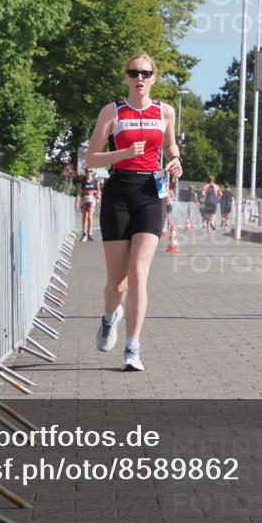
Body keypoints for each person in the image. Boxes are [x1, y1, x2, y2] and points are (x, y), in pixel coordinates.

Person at [84, 53, 182, 372]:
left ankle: (132, 348)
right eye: (133, 72)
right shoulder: (112, 112)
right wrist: (123, 153)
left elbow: (170, 145)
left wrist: (175, 159)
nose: (139, 77)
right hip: (118, 194)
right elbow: (92, 159)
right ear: (126, 77)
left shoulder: (165, 111)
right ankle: (109, 317)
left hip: (150, 193)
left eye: (146, 72)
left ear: (154, 77)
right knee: (117, 283)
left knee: (139, 273)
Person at [76, 167, 100, 241]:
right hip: (84, 199)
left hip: (91, 200)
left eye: (90, 171)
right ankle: (84, 233)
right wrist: (77, 202)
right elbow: (79, 192)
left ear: (92, 172)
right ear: (85, 172)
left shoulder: (95, 181)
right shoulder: (82, 181)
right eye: (87, 171)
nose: (88, 173)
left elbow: (98, 190)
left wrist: (98, 197)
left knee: (90, 216)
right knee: (84, 217)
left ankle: (90, 233)